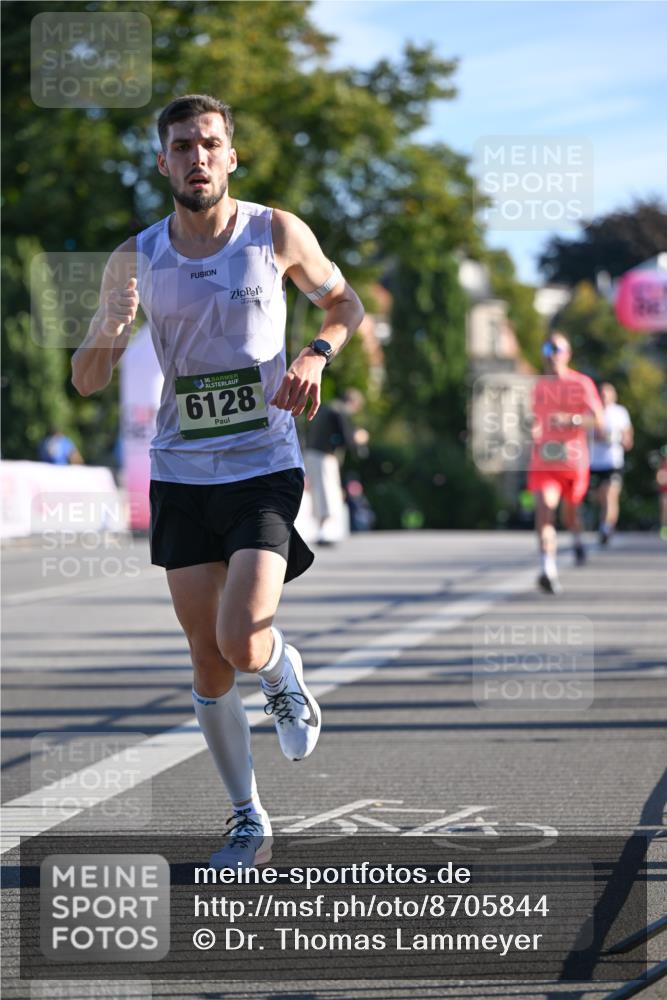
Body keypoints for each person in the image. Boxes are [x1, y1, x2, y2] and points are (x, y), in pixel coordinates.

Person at [71, 94, 364, 866]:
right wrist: (107, 327)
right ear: (162, 162)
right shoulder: (136, 257)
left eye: (209, 143)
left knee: (240, 638)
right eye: (181, 146)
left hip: (263, 462)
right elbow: (86, 382)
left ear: (231, 156)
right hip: (181, 470)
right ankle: (247, 819)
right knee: (206, 658)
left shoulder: (273, 231)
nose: (196, 157)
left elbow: (345, 302)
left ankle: (278, 668)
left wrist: (315, 354)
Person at [527, 331, 604, 594]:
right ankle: (547, 568)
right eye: (546, 350)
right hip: (545, 460)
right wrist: (533, 430)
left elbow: (598, 421)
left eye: (556, 349)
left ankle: (577, 539)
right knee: (545, 511)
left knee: (570, 515)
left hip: (573, 462)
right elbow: (535, 419)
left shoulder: (582, 384)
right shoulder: (539, 386)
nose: (551, 355)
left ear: (567, 354)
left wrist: (571, 420)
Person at [303, 388, 367, 545]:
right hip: (323, 456)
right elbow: (347, 439)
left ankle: (321, 529)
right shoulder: (340, 411)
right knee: (328, 492)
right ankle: (326, 531)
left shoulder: (327, 407)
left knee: (319, 492)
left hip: (311, 454)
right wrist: (359, 439)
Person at [588, 382, 633, 545]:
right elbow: (588, 435)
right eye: (602, 394)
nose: (605, 397)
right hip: (594, 462)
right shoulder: (592, 412)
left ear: (614, 395)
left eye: (608, 394)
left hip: (613, 462)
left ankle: (606, 528)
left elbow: (628, 437)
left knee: (610, 495)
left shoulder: (620, 412)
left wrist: (622, 439)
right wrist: (603, 437)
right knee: (599, 498)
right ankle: (604, 522)